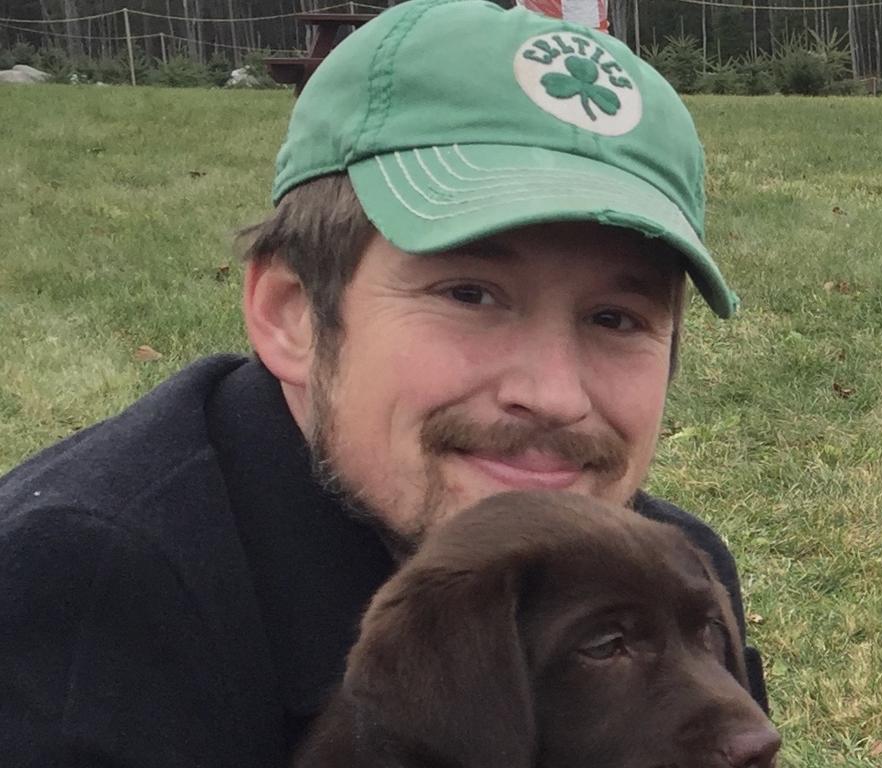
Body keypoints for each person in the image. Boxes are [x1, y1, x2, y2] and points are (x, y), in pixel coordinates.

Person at [0, 1, 763, 766]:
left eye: (616, 318)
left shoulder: (671, 576)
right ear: (292, 315)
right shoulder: (87, 596)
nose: (555, 394)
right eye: (470, 295)